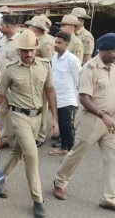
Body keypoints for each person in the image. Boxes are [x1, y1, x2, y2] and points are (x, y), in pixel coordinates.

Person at [0, 29, 59, 218]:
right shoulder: (10, 70)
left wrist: (54, 118)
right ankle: (37, 200)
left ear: (36, 49)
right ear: (19, 50)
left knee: (18, 152)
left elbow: (50, 92)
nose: (28, 54)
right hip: (19, 117)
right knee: (32, 155)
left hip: (38, 118)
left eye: (31, 50)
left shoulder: (45, 66)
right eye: (24, 50)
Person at [53, 33, 115, 212]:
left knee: (112, 158)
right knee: (77, 153)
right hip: (92, 119)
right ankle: (60, 181)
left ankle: (109, 197)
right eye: (114, 51)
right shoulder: (90, 68)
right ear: (103, 50)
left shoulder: (113, 66)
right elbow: (84, 98)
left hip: (109, 120)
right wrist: (103, 114)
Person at [49, 31, 81, 156]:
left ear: (67, 44)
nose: (56, 45)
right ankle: (64, 148)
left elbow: (79, 79)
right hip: (56, 97)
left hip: (68, 98)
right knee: (61, 125)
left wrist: (79, 99)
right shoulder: (54, 57)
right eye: (55, 42)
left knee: (67, 125)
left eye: (59, 43)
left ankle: (72, 152)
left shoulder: (72, 59)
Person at [30, 15, 55, 147]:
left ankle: (41, 135)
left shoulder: (45, 42)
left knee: (43, 107)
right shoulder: (36, 40)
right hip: (33, 77)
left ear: (37, 28)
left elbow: (48, 62)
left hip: (42, 78)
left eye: (32, 26)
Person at [0, 15, 20, 149]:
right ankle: (4, 138)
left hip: (14, 82)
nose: (0, 27)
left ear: (9, 26)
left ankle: (20, 136)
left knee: (17, 110)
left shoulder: (20, 41)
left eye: (1, 25)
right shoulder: (3, 39)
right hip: (2, 80)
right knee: (3, 110)